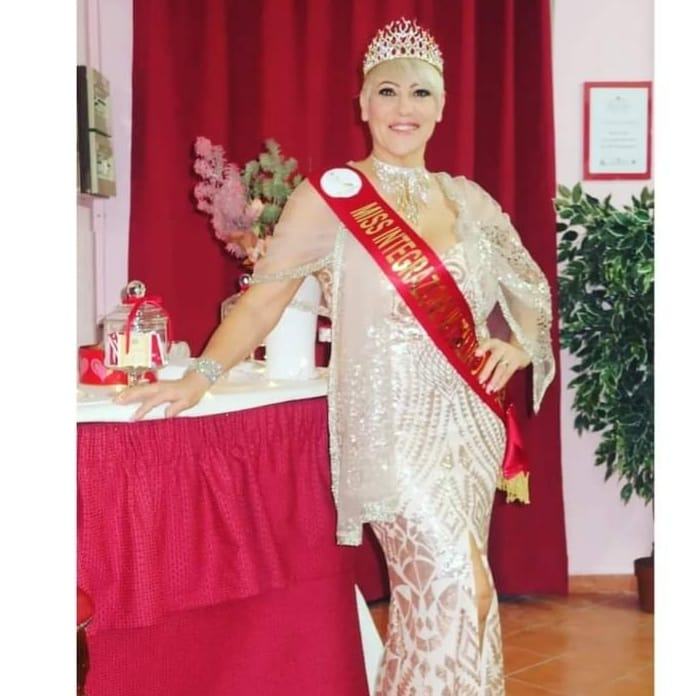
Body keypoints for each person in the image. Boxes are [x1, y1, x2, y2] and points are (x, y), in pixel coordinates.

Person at [117, 18, 555, 695]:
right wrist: (199, 377)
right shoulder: (330, 199)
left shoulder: (467, 200)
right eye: (387, 92)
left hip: (466, 426)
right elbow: (261, 304)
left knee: (443, 603)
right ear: (363, 104)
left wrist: (518, 345)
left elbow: (527, 286)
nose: (403, 107)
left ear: (441, 107)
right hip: (389, 426)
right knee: (454, 588)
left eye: (419, 93)